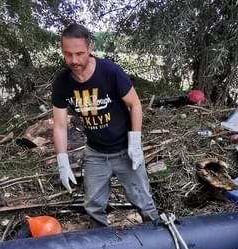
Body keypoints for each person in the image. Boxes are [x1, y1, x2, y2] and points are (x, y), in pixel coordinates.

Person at [51, 23, 159, 227]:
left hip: (124, 150)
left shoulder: (109, 72)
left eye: (79, 53)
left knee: (144, 201)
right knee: (93, 205)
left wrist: (135, 142)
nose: (74, 60)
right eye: (68, 54)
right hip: (95, 153)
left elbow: (135, 104)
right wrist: (62, 160)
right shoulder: (62, 83)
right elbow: (59, 125)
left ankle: (158, 240)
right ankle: (101, 246)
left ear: (90, 47)